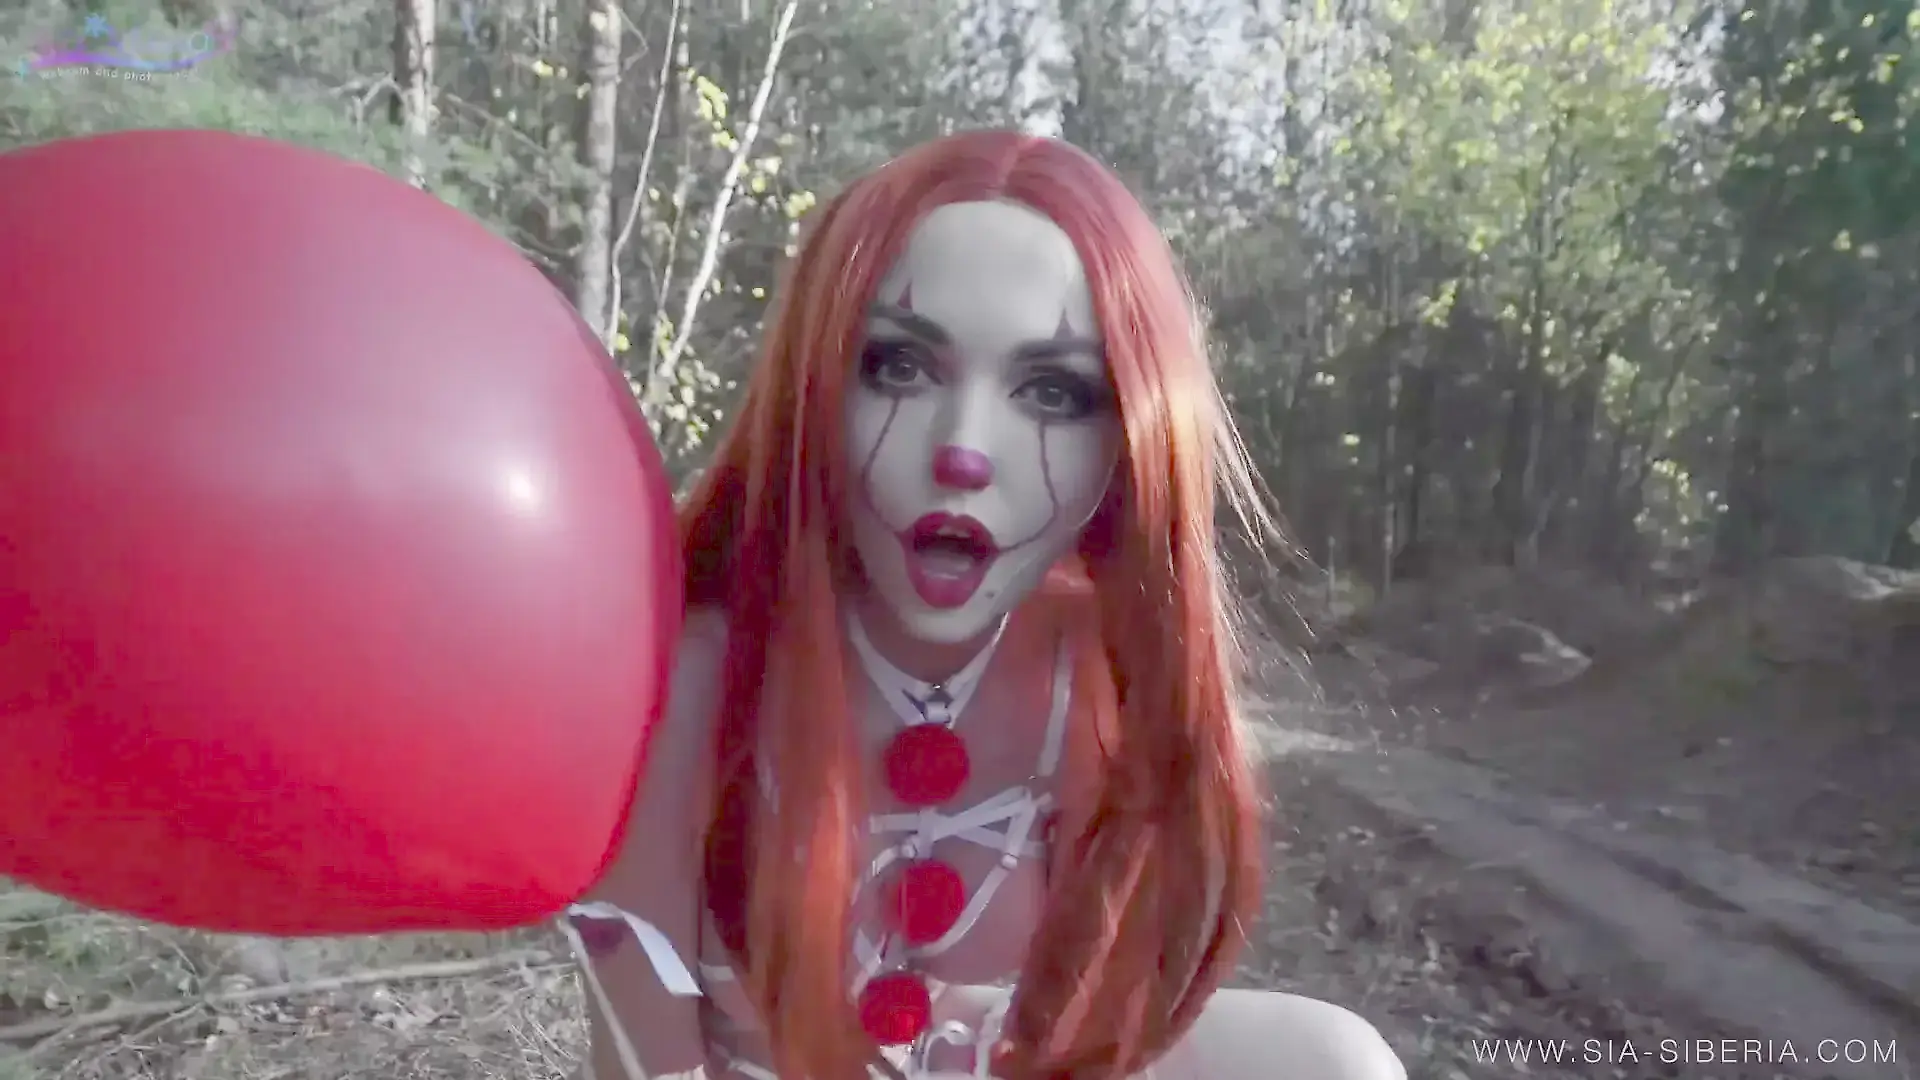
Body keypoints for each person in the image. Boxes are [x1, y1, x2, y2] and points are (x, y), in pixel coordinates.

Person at [559, 130, 1405, 1080]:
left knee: (1337, 1062)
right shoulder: (694, 688)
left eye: (1053, 391)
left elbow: (1084, 1037)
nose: (964, 449)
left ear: (1130, 439)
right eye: (898, 366)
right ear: (812, 386)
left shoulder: (1094, 683)